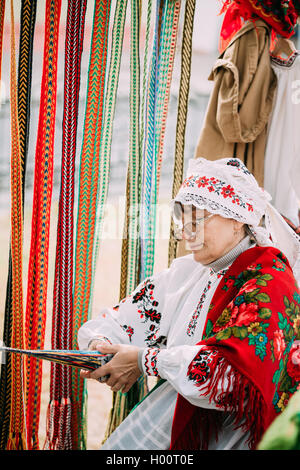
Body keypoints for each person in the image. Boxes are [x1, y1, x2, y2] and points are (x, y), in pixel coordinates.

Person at [78, 157, 300, 450]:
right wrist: (104, 350)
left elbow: (233, 378)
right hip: (183, 407)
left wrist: (145, 360)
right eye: (182, 222)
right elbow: (124, 318)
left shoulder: (270, 281)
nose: (185, 234)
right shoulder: (189, 273)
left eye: (197, 221)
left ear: (236, 219)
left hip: (236, 433)